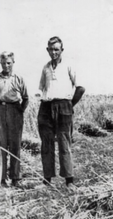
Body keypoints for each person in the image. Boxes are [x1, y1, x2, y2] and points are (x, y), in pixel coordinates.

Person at [37, 36, 85, 190]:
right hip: (46, 107)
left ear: (62, 50)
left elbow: (80, 88)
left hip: (64, 106)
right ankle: (47, 181)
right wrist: (42, 99)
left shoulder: (69, 65)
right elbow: (41, 88)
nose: (53, 52)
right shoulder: (45, 68)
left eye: (56, 49)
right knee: (46, 144)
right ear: (47, 50)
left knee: (64, 143)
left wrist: (70, 105)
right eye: (51, 49)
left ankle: (69, 181)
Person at [0, 52, 28, 188]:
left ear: (13, 62)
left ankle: (15, 177)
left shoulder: (19, 78)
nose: (6, 65)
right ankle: (2, 177)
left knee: (15, 145)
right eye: (3, 63)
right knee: (1, 145)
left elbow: (26, 98)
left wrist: (19, 111)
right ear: (0, 63)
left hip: (15, 111)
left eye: (9, 63)